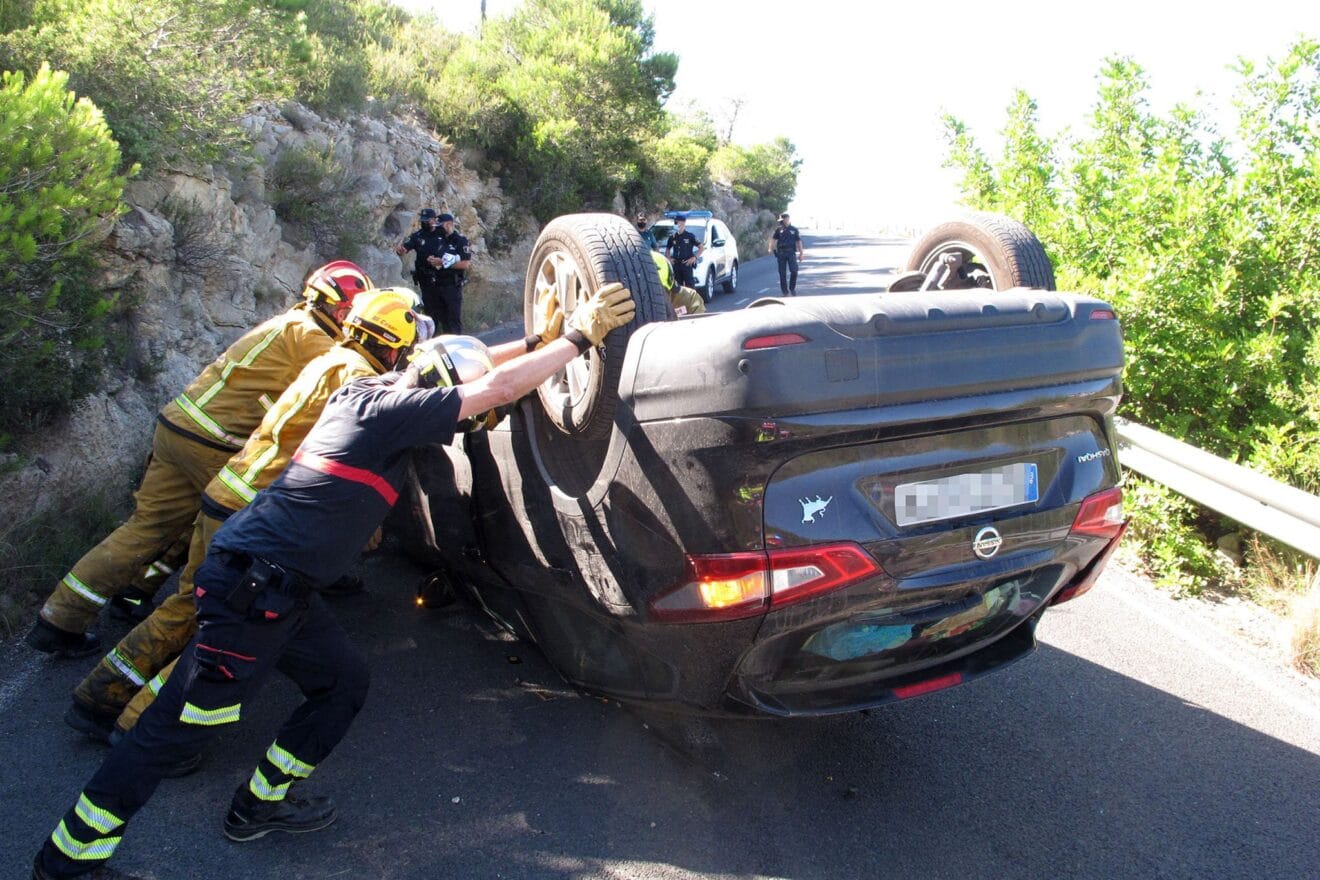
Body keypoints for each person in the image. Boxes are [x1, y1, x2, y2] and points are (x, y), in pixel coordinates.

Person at [28, 281, 636, 880]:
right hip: (255, 591)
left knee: (342, 683)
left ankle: (258, 805)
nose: (471, 418)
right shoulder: (398, 411)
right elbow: (495, 387)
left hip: (277, 589)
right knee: (167, 733)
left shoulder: (367, 392)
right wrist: (580, 336)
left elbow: (464, 363)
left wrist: (536, 338)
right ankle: (68, 858)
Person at [64, 289, 432, 748]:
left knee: (184, 607)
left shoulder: (328, 356)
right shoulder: (360, 382)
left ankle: (98, 698)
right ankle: (141, 727)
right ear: (393, 346)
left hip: (225, 493)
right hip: (256, 514)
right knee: (220, 630)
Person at [25, 262, 374, 659]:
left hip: (177, 427)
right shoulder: (317, 341)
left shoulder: (291, 321)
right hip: (213, 443)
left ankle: (62, 618)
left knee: (147, 527)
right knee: (225, 537)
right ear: (342, 311)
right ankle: (180, 629)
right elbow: (365, 384)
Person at [395, 207, 471, 334]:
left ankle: (455, 345)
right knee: (432, 318)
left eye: (431, 221)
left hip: (451, 284)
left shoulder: (456, 239)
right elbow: (405, 248)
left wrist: (441, 262)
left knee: (452, 319)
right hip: (430, 283)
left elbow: (464, 263)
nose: (428, 223)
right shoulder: (419, 236)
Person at [650, 250, 705, 316]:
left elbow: (699, 323)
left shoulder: (689, 298)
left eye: (663, 291)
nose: (659, 296)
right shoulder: (635, 306)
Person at [769, 212, 804, 295]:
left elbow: (798, 241)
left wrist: (801, 253)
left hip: (791, 253)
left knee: (794, 271)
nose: (781, 222)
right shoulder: (779, 230)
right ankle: (784, 291)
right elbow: (773, 239)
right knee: (782, 273)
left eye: (783, 220)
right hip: (781, 253)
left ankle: (792, 288)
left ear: (787, 219)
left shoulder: (794, 230)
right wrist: (770, 248)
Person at [664, 214, 703, 290]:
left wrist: (694, 258)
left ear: (683, 223)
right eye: (676, 223)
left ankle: (691, 301)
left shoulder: (690, 236)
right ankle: (679, 302)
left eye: (678, 222)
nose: (677, 224)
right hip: (676, 265)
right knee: (677, 288)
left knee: (690, 288)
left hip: (687, 264)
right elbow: (667, 250)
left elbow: (701, 248)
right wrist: (669, 259)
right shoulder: (672, 237)